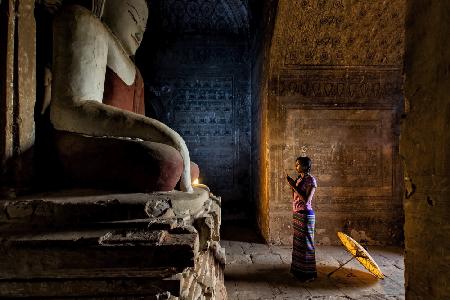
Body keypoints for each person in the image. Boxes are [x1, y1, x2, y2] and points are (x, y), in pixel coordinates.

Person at [49, 0, 198, 192]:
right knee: (167, 165)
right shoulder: (84, 22)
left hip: (123, 143)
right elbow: (70, 110)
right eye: (133, 17)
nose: (138, 34)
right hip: (83, 139)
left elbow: (138, 125)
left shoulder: (137, 74)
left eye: (143, 28)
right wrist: (170, 137)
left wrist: (166, 141)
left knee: (187, 167)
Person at [285, 156, 317, 281]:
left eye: (298, 164)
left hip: (306, 215)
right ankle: (298, 271)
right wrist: (293, 185)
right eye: (296, 164)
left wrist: (293, 186)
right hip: (298, 213)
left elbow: (306, 199)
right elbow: (295, 197)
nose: (296, 166)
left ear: (305, 166)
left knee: (306, 245)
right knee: (298, 244)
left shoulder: (311, 181)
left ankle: (308, 274)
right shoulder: (300, 179)